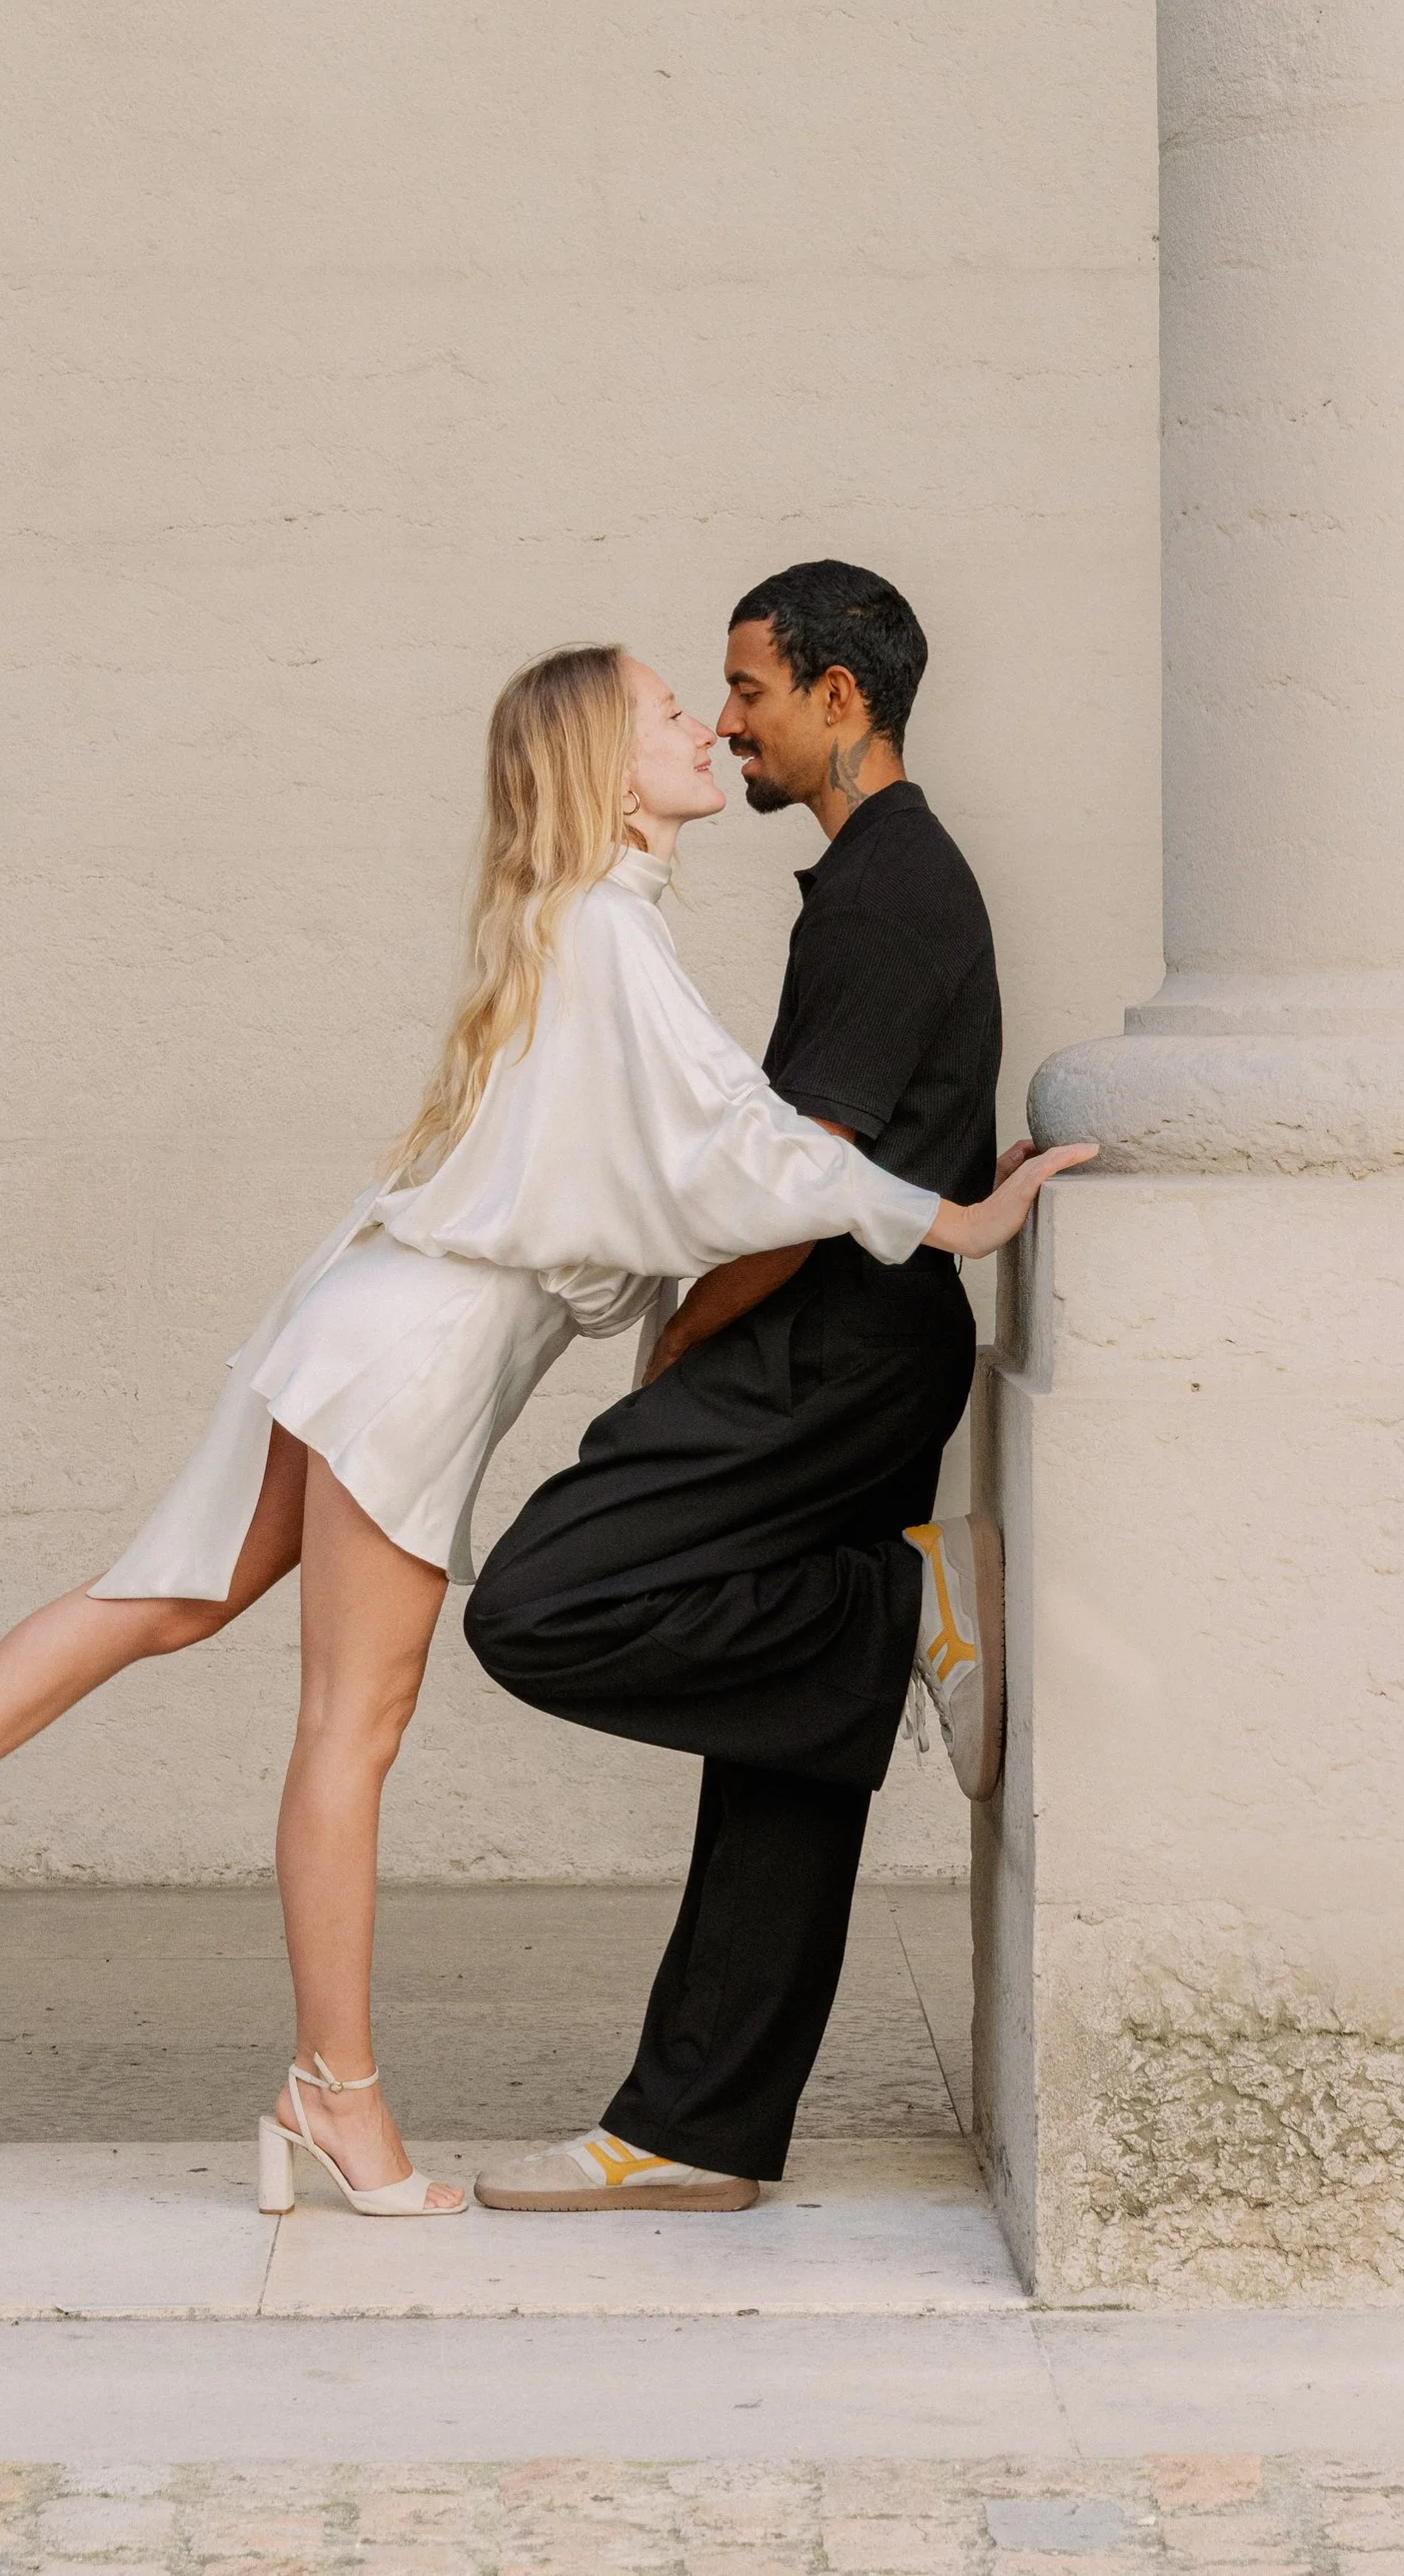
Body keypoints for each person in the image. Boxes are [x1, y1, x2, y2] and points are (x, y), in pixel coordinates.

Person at [0, 637, 1089, 2224]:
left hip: (365, 1309)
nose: (703, 726)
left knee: (162, 1598)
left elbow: (687, 1161)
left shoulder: (576, 921)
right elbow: (744, 1149)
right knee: (347, 1729)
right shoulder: (609, 929)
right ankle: (335, 2096)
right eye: (668, 710)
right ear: (609, 772)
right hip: (414, 1354)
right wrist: (955, 1217)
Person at [464, 562, 1032, 2214]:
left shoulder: (884, 891)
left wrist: (681, 1344)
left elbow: (800, 1175)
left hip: (828, 1350)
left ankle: (905, 1603)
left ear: (841, 695)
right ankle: (696, 2127)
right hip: (869, 1349)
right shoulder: (884, 879)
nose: (727, 723)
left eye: (752, 689)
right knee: (790, 1748)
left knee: (540, 1596)